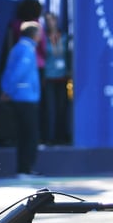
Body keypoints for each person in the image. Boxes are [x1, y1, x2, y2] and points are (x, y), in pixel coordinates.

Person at [1, 21, 42, 177]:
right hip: (25, 98)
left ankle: (24, 169)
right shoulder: (26, 49)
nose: (40, 37)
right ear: (34, 35)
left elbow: (9, 71)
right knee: (29, 135)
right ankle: (25, 169)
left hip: (22, 97)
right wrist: (8, 90)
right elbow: (18, 72)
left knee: (25, 134)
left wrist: (6, 89)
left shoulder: (19, 48)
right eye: (39, 34)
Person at [41, 11, 72, 145]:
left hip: (62, 77)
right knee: (50, 109)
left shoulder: (64, 37)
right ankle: (49, 137)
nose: (50, 22)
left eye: (52, 19)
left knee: (61, 108)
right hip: (49, 78)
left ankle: (61, 136)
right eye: (47, 20)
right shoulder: (43, 38)